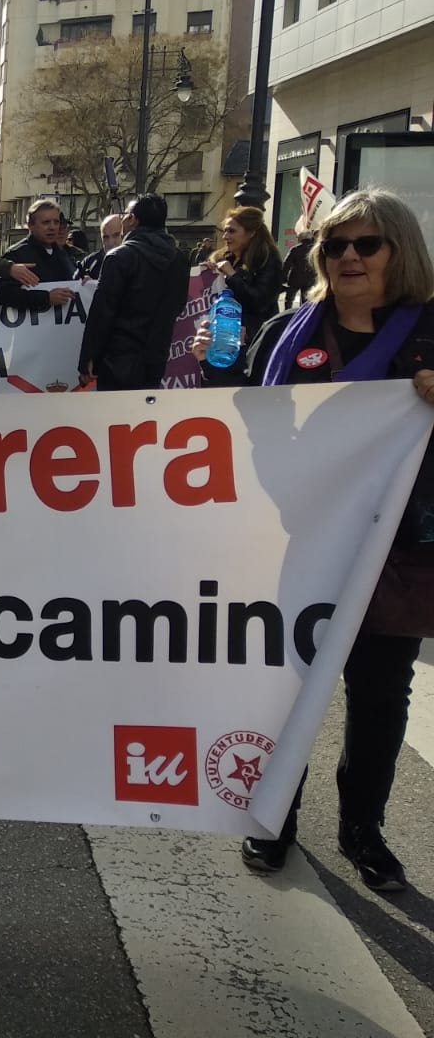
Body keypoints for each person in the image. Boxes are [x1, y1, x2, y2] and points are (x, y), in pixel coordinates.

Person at [194, 187, 434, 892]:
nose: (349, 257)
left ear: (400, 250)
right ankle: (272, 817)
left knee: (381, 695)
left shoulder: (430, 331)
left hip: (396, 551)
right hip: (297, 539)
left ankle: (364, 830)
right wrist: (215, 370)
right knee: (287, 690)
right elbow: (244, 420)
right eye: (336, 246)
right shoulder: (287, 331)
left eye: (366, 244)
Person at [78, 193, 190, 390]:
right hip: (156, 358)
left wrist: (88, 357)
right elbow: (178, 305)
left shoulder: (119, 257)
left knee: (115, 419)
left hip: (116, 359)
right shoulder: (179, 259)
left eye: (125, 215)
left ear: (132, 219)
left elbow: (102, 312)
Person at [204, 205, 283, 334]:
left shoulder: (268, 260)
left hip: (253, 337)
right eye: (224, 231)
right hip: (222, 332)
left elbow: (259, 303)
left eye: (232, 231)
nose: (225, 236)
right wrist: (207, 274)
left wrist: (232, 275)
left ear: (251, 233)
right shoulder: (224, 258)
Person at [0, 198, 78, 314]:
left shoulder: (65, 254)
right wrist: (46, 298)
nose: (52, 227)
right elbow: (2, 293)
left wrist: (85, 281)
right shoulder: (16, 254)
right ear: (31, 226)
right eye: (46, 222)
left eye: (56, 222)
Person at [78, 213, 126, 280]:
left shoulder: (135, 263)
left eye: (116, 235)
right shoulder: (89, 262)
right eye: (106, 237)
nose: (110, 242)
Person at [281, 228, 319, 309]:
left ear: (301, 238)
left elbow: (287, 264)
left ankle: (287, 315)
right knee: (305, 300)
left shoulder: (295, 249)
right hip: (310, 278)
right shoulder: (315, 250)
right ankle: (303, 316)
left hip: (295, 278)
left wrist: (283, 278)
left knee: (289, 299)